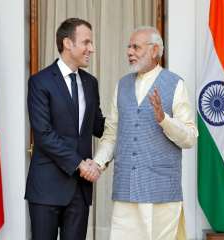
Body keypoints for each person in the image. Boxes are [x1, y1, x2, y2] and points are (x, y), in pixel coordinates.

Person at [94, 26, 198, 240]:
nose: (129, 52)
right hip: (126, 190)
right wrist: (97, 163)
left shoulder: (175, 84)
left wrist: (164, 119)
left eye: (136, 47)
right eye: (129, 47)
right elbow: (112, 133)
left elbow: (190, 138)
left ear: (154, 50)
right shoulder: (121, 85)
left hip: (161, 192)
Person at [25, 18, 104, 240]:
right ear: (68, 43)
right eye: (86, 42)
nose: (92, 48)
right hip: (45, 189)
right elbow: (44, 135)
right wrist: (80, 164)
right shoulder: (39, 82)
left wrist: (132, 119)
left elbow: (98, 126)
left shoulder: (91, 83)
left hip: (79, 191)